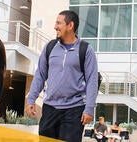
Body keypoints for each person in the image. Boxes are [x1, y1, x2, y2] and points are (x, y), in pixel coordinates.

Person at [25, 10, 99, 142]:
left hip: (74, 110)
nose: (55, 27)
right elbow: (40, 75)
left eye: (59, 23)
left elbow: (92, 81)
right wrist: (32, 98)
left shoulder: (86, 50)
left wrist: (89, 108)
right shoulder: (50, 47)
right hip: (49, 108)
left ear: (70, 26)